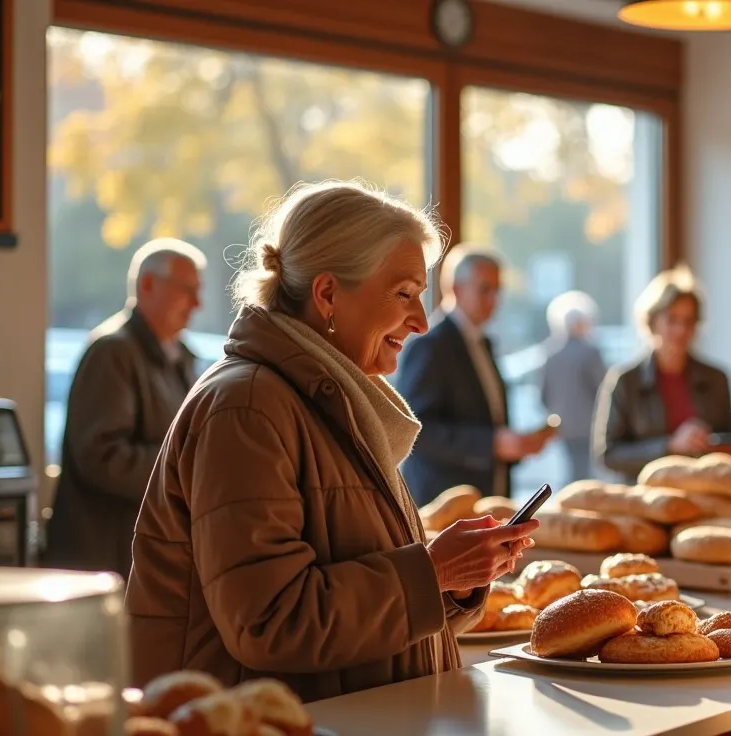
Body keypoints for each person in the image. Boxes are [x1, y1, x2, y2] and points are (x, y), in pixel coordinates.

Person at [125, 181, 538, 701]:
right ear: (327, 296)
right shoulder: (247, 407)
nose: (420, 321)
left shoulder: (334, 402)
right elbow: (270, 622)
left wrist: (452, 582)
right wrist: (432, 570)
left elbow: (360, 619)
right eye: (405, 294)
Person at [45, 238, 205, 578]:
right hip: (107, 559)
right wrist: (191, 470)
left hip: (141, 555)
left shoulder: (180, 357)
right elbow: (104, 458)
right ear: (147, 285)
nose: (197, 303)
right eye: (186, 290)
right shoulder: (112, 353)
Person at [394, 244, 553, 505]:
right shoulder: (430, 345)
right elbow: (416, 430)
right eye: (485, 289)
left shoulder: (483, 343)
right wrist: (492, 444)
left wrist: (516, 445)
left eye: (497, 290)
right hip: (444, 503)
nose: (494, 300)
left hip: (487, 498)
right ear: (456, 289)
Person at [594, 266, 731, 482]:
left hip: (703, 490)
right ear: (652, 322)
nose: (681, 330)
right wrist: (669, 446)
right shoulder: (625, 380)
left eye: (689, 321)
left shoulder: (717, 378)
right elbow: (608, 455)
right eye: (672, 320)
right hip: (645, 494)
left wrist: (712, 442)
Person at [539, 291, 607, 483]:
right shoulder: (590, 352)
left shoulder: (551, 353)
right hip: (588, 424)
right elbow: (603, 389)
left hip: (563, 425)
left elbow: (544, 394)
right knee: (583, 471)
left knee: (574, 469)